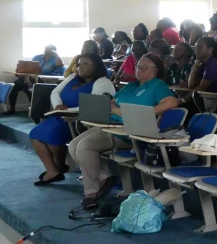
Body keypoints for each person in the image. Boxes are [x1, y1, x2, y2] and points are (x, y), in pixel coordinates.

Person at [68, 54, 178, 209]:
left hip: (130, 132)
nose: (138, 70)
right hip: (112, 125)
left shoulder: (157, 85)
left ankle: (92, 192)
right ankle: (104, 178)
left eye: (143, 68)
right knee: (73, 146)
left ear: (155, 71)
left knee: (85, 146)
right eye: (138, 66)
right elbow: (112, 101)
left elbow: (172, 102)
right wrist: (112, 108)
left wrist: (146, 113)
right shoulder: (132, 86)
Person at [30, 53, 114, 185]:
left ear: (96, 66)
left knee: (52, 137)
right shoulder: (72, 77)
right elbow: (55, 92)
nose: (80, 67)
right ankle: (52, 170)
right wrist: (58, 105)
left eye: (85, 64)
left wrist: (67, 110)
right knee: (34, 134)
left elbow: (93, 106)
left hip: (78, 121)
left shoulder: (102, 82)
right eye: (79, 64)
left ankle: (59, 166)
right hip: (60, 115)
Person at [4, 44, 64, 115]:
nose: (45, 50)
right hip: (28, 77)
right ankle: (12, 108)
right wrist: (21, 72)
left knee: (31, 88)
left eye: (48, 49)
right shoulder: (37, 57)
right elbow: (29, 66)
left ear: (53, 51)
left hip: (43, 79)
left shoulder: (55, 60)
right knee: (14, 86)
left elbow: (61, 64)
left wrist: (56, 54)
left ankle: (34, 109)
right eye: (45, 48)